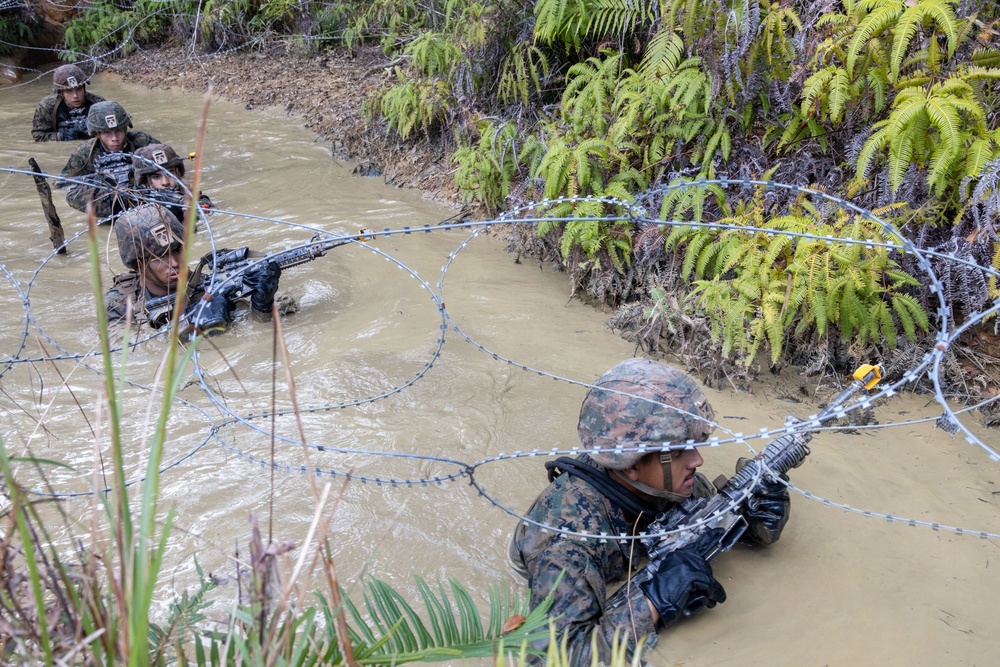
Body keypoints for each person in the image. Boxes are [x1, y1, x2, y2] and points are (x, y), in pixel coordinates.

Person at [509, 357, 791, 666]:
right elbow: (552, 659)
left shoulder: (669, 485)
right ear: (631, 465)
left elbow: (725, 523)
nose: (697, 461)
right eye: (680, 450)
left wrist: (760, 515)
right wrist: (655, 600)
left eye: (695, 445)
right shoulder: (569, 540)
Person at [105, 203, 281, 332]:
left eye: (176, 250)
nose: (174, 263)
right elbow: (133, 355)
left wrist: (262, 305)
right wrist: (193, 325)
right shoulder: (119, 304)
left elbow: (257, 333)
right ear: (137, 265)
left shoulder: (213, 284)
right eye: (158, 258)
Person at [59, 100, 159, 218]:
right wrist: (101, 188)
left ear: (126, 129)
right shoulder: (85, 152)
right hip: (107, 201)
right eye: (107, 133)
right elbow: (66, 186)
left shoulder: (142, 142)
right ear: (97, 134)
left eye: (119, 130)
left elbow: (170, 167)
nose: (115, 138)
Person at [129, 143, 212, 223]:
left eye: (170, 174)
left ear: (178, 173)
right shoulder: (138, 207)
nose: (165, 182)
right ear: (146, 182)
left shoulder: (189, 195)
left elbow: (208, 211)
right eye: (156, 177)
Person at [31, 64, 105, 142]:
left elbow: (113, 132)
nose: (75, 96)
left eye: (79, 90)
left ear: (84, 89)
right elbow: (38, 136)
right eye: (69, 91)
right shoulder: (47, 106)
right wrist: (62, 136)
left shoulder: (98, 104)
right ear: (61, 93)